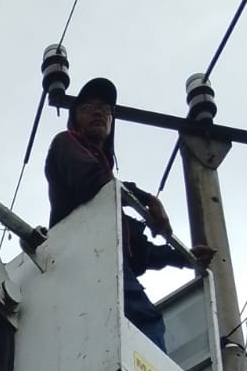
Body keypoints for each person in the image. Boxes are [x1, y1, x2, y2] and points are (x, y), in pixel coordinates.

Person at [44, 76, 211, 353]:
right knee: (146, 321)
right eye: (88, 107)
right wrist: (147, 200)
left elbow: (137, 251)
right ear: (75, 118)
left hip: (103, 263)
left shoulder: (111, 200)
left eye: (106, 110)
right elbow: (90, 181)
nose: (99, 112)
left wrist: (184, 258)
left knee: (131, 326)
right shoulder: (66, 145)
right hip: (82, 258)